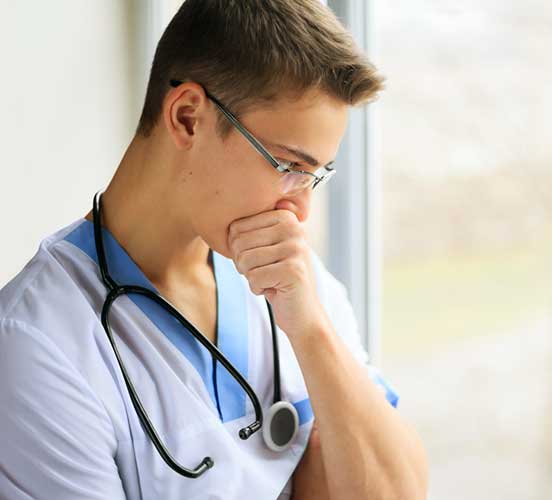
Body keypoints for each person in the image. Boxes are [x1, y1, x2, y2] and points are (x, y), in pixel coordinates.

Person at [0, 1, 429, 498]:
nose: (302, 212)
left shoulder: (294, 283)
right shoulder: (36, 345)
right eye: (288, 166)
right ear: (186, 117)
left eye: (315, 177)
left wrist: (311, 331)